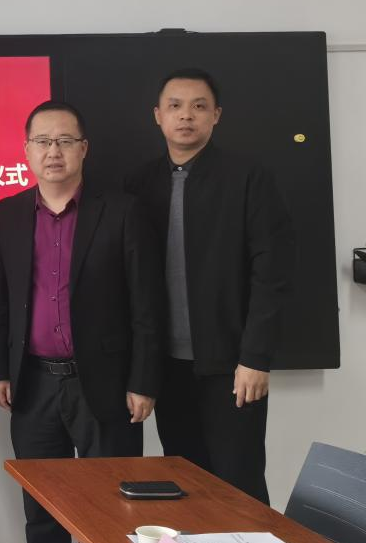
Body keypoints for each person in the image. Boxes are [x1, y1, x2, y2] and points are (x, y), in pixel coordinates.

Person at [0, 100, 163, 543]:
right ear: (27, 151)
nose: (53, 151)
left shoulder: (122, 211)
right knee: (43, 512)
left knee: (114, 510)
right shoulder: (7, 214)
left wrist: (143, 379)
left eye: (65, 140)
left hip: (105, 385)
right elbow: (0, 301)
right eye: (42, 141)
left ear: (84, 149)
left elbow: (146, 304)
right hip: (34, 384)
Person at [125, 68, 295, 504]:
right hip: (168, 367)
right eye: (175, 106)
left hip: (232, 367)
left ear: (216, 115)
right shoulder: (139, 185)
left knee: (240, 487)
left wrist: (255, 357)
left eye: (199, 106)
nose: (187, 116)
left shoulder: (248, 178)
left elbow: (271, 275)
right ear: (158, 115)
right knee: (185, 485)